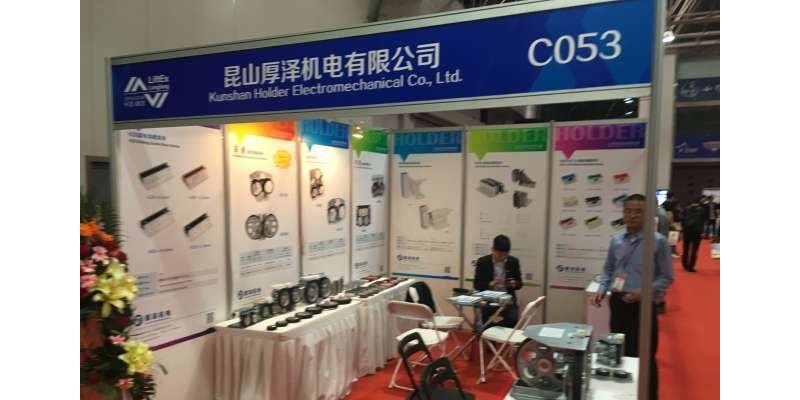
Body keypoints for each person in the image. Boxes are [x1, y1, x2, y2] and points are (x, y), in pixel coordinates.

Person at [591, 194, 673, 400]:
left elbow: (667, 277)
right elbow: (608, 269)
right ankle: (623, 394)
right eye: (628, 211)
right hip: (618, 303)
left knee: (645, 354)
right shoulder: (616, 241)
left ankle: (648, 395)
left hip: (643, 306)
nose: (632, 215)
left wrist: (643, 292)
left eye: (638, 211)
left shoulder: (658, 242)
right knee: (619, 351)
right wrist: (602, 289)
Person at [473, 234, 522, 329]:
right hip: (488, 300)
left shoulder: (513, 262)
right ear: (493, 250)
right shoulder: (483, 262)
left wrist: (511, 284)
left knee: (513, 319)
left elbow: (519, 284)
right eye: (500, 254)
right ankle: (488, 333)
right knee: (483, 319)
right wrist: (490, 284)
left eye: (505, 254)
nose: (503, 257)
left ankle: (493, 331)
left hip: (507, 300)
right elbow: (476, 285)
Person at [681, 196, 707, 272]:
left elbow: (682, 219)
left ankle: (685, 264)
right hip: (697, 231)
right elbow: (704, 220)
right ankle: (691, 266)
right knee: (694, 249)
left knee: (686, 248)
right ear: (699, 201)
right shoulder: (702, 210)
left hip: (687, 230)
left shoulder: (686, 208)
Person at [661, 191, 681, 258]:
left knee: (671, 238)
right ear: (672, 197)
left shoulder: (664, 203)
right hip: (671, 222)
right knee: (672, 238)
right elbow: (669, 214)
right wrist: (672, 224)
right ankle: (672, 252)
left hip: (666, 222)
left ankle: (673, 251)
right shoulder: (669, 204)